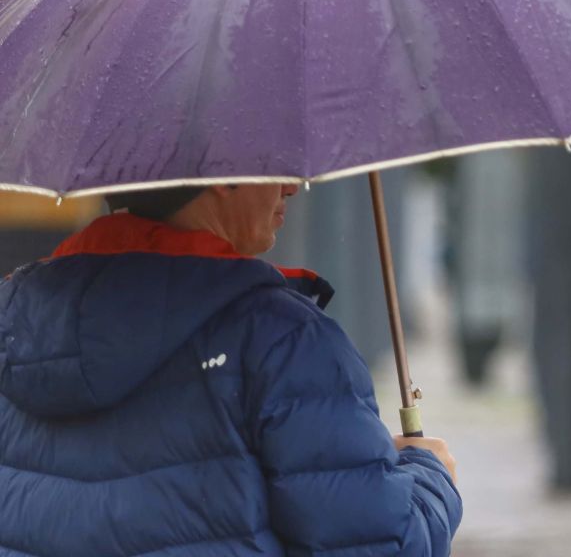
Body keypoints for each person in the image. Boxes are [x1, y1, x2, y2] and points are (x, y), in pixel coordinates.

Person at [0, 183, 461, 556]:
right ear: (222, 178)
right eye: (275, 163)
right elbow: (376, 545)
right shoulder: (281, 341)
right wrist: (430, 475)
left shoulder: (16, 325)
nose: (291, 186)